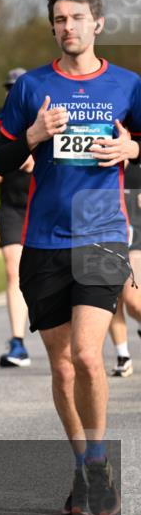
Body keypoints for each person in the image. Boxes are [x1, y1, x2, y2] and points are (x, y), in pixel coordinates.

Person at [0, 0, 140, 515]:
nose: (68, 27)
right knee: (61, 369)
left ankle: (97, 462)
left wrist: (130, 147)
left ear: (97, 23)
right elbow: (2, 159)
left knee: (86, 355)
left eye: (77, 18)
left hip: (101, 233)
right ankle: (84, 466)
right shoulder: (32, 87)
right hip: (43, 240)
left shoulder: (128, 85)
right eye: (59, 19)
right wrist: (33, 135)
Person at [0, 68, 35, 368]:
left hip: (43, 206)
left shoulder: (44, 117)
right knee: (14, 271)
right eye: (9, 88)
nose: (13, 93)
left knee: (52, 275)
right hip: (11, 207)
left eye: (18, 88)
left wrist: (35, 160)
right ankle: (17, 342)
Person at [106, 158, 141, 377]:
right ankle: (123, 356)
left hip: (136, 236)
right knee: (112, 297)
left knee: (133, 300)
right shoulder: (101, 159)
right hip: (108, 234)